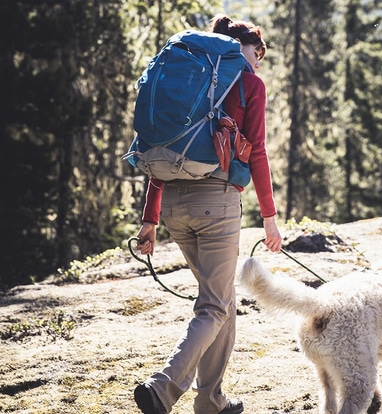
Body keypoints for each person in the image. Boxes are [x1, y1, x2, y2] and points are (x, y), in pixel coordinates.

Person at [133, 14, 282, 414]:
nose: (257, 61)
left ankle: (211, 401)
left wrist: (150, 219)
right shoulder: (248, 82)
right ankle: (163, 387)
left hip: (175, 208)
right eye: (257, 52)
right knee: (215, 306)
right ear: (238, 45)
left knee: (222, 300)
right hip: (215, 204)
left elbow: (167, 149)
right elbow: (260, 152)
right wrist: (269, 217)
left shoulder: (191, 79)